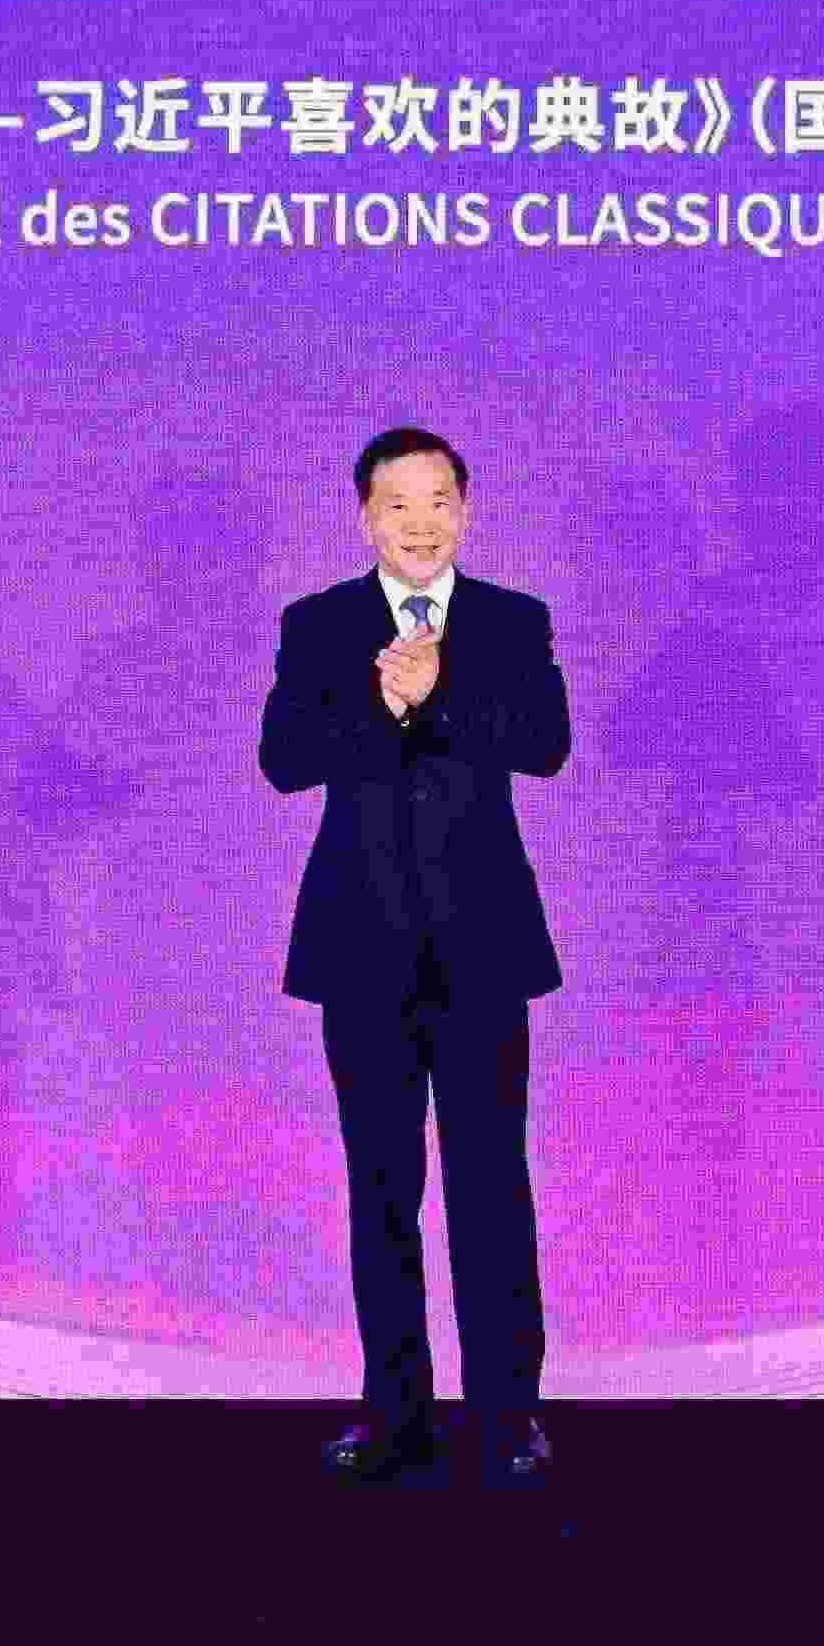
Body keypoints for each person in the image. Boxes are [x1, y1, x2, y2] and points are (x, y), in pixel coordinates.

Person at [259, 427, 571, 1484]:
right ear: (365, 518)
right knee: (381, 1188)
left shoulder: (512, 619)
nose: (420, 523)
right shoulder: (318, 623)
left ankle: (508, 1415)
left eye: (439, 501)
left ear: (465, 511)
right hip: (361, 947)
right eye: (398, 504)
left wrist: (437, 691)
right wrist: (381, 703)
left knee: (491, 1186)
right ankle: (393, 1412)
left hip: (482, 946)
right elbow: (283, 757)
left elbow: (544, 741)